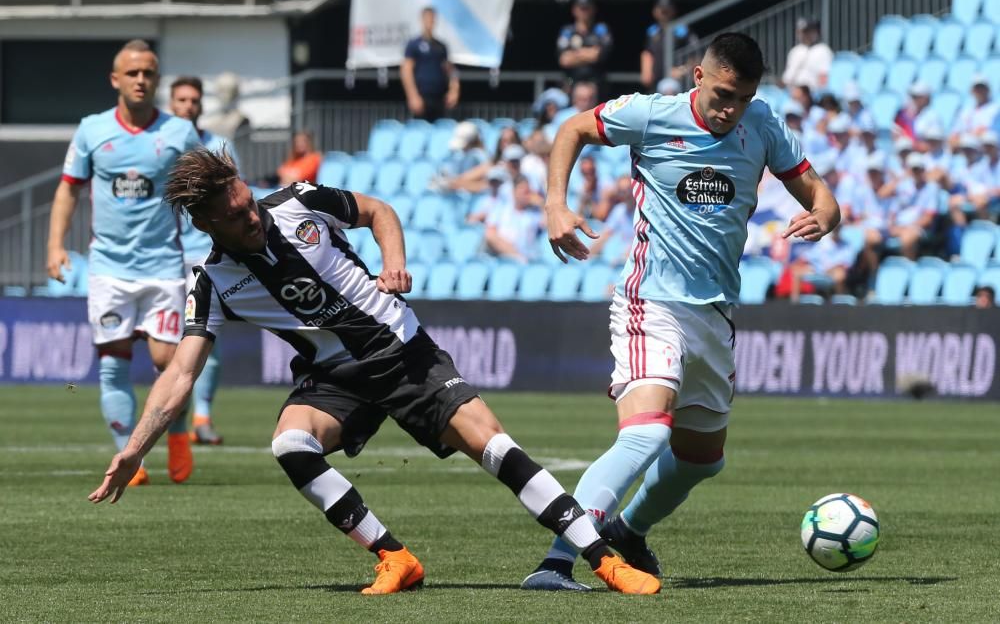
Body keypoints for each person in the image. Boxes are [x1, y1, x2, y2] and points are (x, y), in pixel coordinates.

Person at [87, 147, 659, 596]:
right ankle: (395, 557)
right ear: (207, 223)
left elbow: (377, 211)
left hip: (402, 351)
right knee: (290, 443)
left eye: (248, 201)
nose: (251, 216)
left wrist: (395, 264)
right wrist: (137, 448)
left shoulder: (298, 202)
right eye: (235, 217)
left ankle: (603, 560)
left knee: (494, 447)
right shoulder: (212, 282)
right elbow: (179, 374)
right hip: (337, 377)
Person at [522, 33, 839, 591]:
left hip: (714, 314)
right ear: (698, 77)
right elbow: (572, 128)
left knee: (701, 458)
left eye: (740, 98)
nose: (729, 109)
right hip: (651, 301)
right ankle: (557, 561)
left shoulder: (761, 124)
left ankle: (628, 529)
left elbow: (820, 194)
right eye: (721, 94)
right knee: (645, 436)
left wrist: (826, 214)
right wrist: (555, 203)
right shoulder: (649, 115)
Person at [46, 39, 200, 486]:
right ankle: (129, 460)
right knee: (113, 362)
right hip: (109, 269)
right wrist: (55, 247)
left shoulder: (178, 133)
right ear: (115, 79)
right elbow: (68, 188)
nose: (140, 80)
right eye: (131, 73)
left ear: (157, 79)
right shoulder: (92, 130)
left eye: (148, 73)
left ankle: (179, 431)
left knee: (169, 363)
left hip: (163, 266)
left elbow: (203, 190)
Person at [169, 75, 241, 445]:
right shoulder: (161, 147)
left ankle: (202, 417)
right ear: (171, 103)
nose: (188, 106)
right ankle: (174, 416)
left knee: (206, 338)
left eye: (194, 100)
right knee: (167, 346)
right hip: (166, 260)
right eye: (181, 100)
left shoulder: (218, 147)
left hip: (208, 257)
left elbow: (236, 197)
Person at [401, 6, 459, 122]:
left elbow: (451, 71)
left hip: (439, 97)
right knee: (420, 130)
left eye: (432, 19)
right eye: (427, 18)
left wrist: (454, 90)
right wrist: (413, 96)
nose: (430, 22)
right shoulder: (414, 44)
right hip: (422, 96)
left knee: (439, 130)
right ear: (422, 20)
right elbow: (406, 71)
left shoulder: (441, 46)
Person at [640, 0, 700, 91]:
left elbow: (696, 56)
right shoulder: (652, 31)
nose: (663, 12)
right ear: (654, 11)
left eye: (666, 9)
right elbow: (647, 52)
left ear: (674, 9)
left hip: (677, 85)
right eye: (661, 9)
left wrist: (682, 70)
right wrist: (646, 70)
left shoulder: (683, 30)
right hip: (655, 84)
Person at [556, 0, 613, 91]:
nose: (584, 12)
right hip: (571, 84)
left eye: (587, 8)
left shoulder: (601, 29)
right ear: (574, 10)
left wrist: (575, 54)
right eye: (581, 8)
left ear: (593, 9)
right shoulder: (567, 31)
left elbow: (598, 55)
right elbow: (564, 60)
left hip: (596, 84)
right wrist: (588, 53)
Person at [484, 175, 546, 263]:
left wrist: (541, 204)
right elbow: (490, 235)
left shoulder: (533, 214)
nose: (527, 195)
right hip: (502, 260)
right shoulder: (501, 209)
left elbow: (547, 225)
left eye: (528, 192)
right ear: (514, 191)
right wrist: (516, 255)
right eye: (523, 191)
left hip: (529, 260)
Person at [781, 18, 833, 93]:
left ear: (815, 32)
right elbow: (787, 77)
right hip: (792, 94)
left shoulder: (823, 50)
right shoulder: (794, 51)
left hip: (812, 94)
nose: (803, 35)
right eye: (801, 31)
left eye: (807, 31)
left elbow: (824, 77)